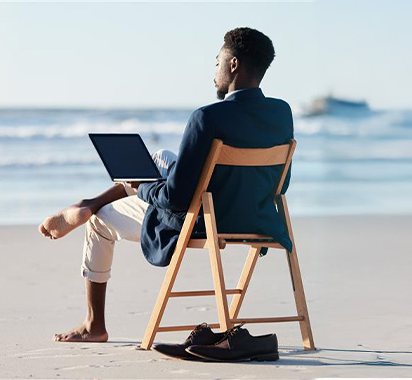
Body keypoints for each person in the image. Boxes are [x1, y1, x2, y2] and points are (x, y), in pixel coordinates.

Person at [39, 27, 294, 343]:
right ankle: (94, 200)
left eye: (218, 62)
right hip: (256, 217)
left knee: (99, 222)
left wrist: (142, 186)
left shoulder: (206, 117)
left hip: (204, 220)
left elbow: (175, 198)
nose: (214, 70)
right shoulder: (282, 113)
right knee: (162, 157)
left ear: (233, 65)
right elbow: (281, 185)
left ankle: (94, 323)